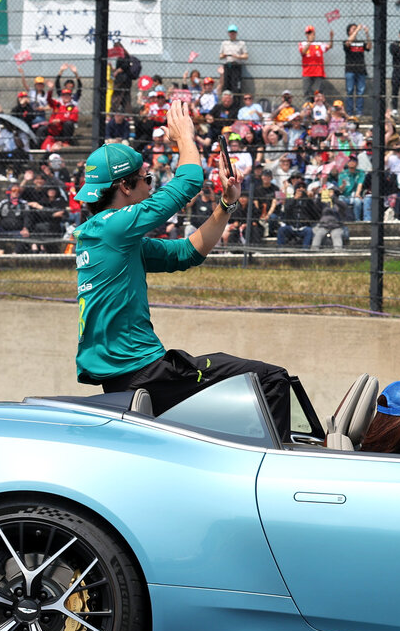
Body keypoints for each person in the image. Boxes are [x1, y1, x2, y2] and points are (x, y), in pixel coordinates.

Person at [74, 103, 297, 440]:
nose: (149, 186)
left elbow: (186, 253)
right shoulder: (115, 227)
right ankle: (276, 472)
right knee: (270, 379)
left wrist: (226, 205)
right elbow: (189, 180)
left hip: (129, 374)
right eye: (145, 180)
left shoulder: (104, 236)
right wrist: (185, 138)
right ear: (124, 187)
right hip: (143, 372)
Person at [220, 24, 248, 94]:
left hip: (236, 66)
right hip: (227, 65)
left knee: (236, 86)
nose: (232, 34)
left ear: (236, 33)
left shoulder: (241, 43)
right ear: (228, 33)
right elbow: (220, 56)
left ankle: (236, 103)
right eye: (230, 32)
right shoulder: (224, 43)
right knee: (226, 85)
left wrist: (238, 56)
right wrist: (224, 55)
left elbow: (246, 56)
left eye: (234, 32)